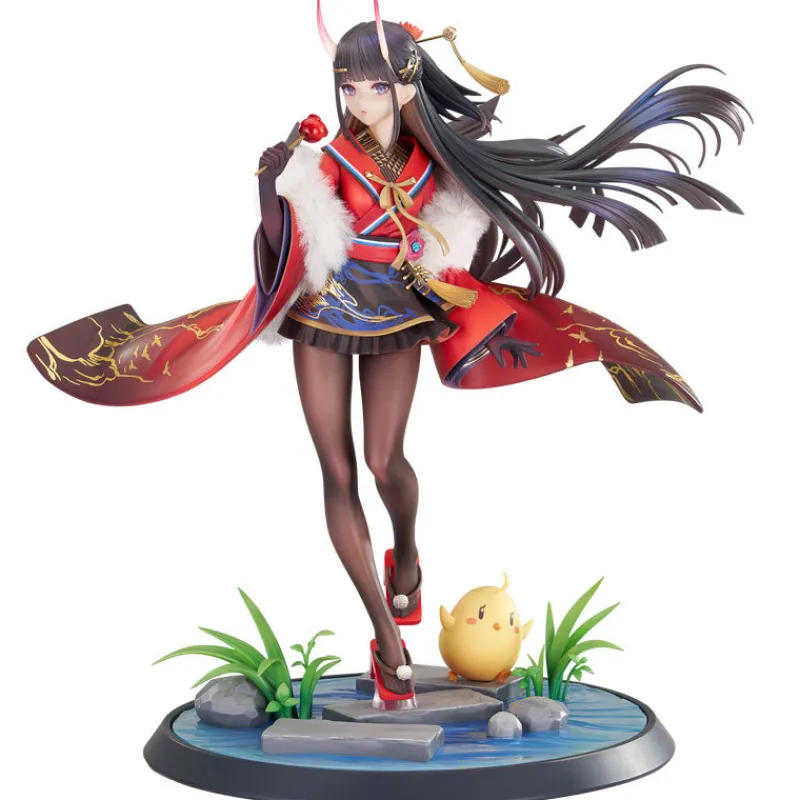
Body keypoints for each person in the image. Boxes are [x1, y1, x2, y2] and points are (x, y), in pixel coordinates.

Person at [27, 2, 750, 710]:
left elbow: (455, 227)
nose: (358, 98)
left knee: (383, 461)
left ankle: (406, 547)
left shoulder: (437, 161)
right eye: (348, 85)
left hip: (398, 312)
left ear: (405, 84)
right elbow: (284, 240)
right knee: (337, 470)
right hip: (320, 311)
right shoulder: (324, 157)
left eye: (373, 85)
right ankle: (385, 633)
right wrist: (270, 186)